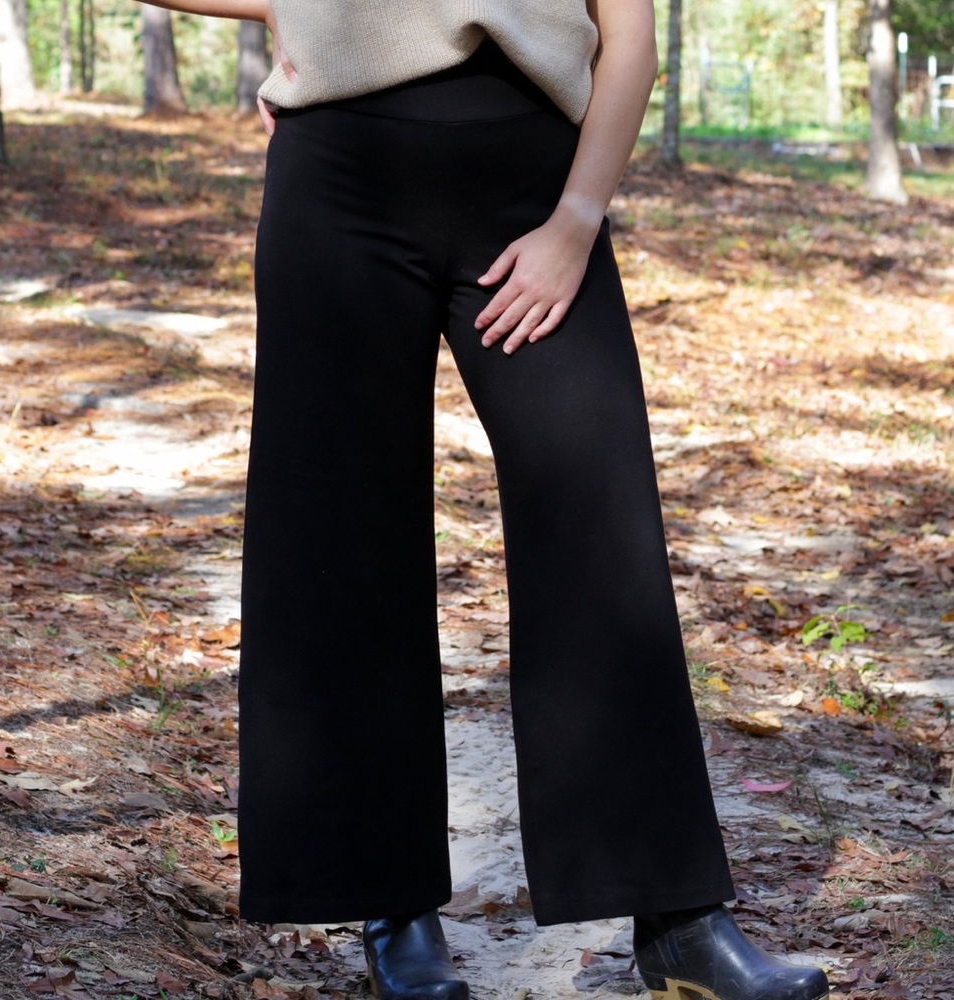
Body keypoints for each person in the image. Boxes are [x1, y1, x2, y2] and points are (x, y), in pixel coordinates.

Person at [137, 3, 831, 999]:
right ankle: (390, 901)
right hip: (337, 178)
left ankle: (677, 919)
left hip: (531, 182)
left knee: (600, 534)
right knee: (341, 537)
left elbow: (628, 36)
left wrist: (577, 220)